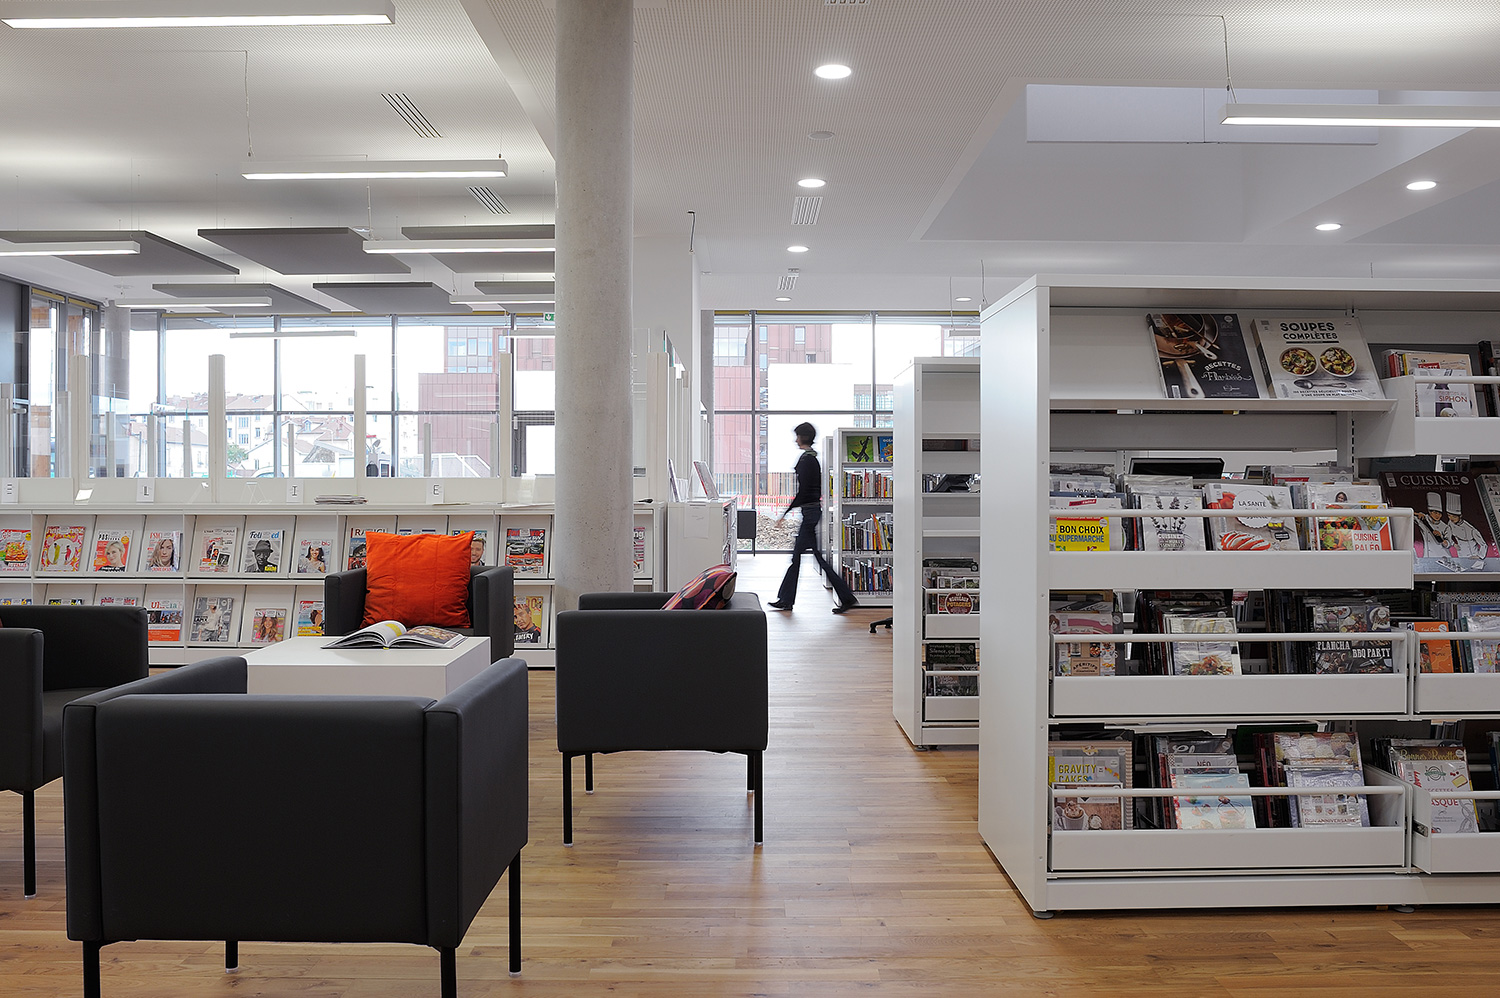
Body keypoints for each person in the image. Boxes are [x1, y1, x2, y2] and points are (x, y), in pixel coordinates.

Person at [769, 421, 859, 613]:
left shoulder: (807, 461)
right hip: (811, 512)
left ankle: (787, 599)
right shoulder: (811, 459)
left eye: (797, 436)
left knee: (799, 557)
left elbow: (804, 492)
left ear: (803, 437)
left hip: (810, 514)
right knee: (812, 557)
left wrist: (785, 513)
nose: (795, 440)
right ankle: (844, 597)